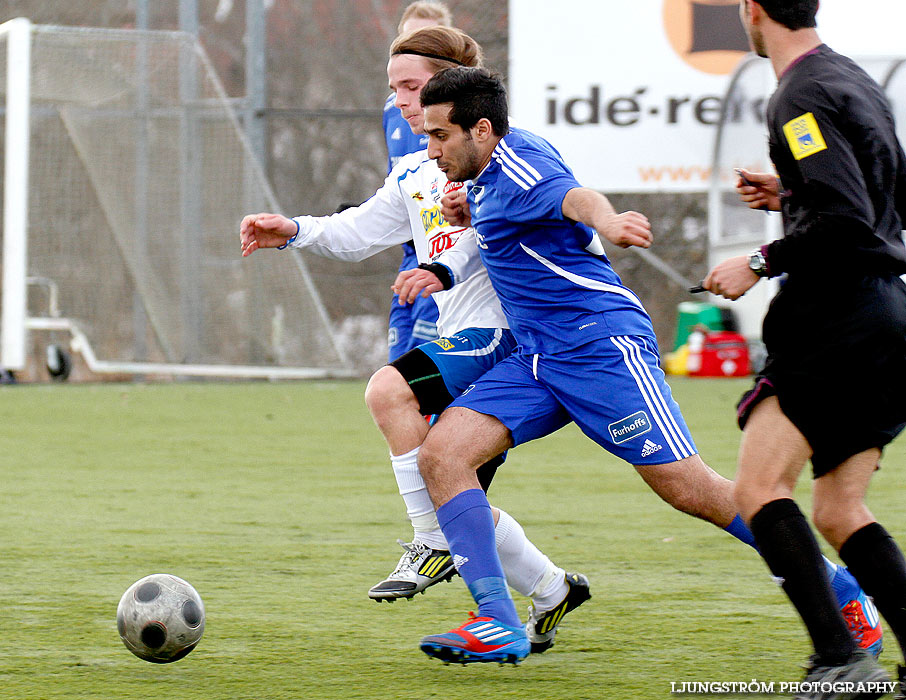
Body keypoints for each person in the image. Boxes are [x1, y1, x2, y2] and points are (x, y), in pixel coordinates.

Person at [393, 64, 884, 667]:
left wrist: (610, 221)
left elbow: (575, 199)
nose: (430, 145)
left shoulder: (523, 167)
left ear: (482, 129)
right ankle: (497, 621)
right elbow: (520, 224)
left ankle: (842, 591)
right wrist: (476, 218)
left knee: (691, 490)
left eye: (440, 135)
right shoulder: (488, 175)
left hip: (601, 348)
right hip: (539, 358)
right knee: (442, 456)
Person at [240, 26, 590, 654]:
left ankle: (432, 541)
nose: (400, 100)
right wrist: (293, 229)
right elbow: (358, 231)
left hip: (505, 336)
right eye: (392, 87)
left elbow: (503, 233)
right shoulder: (414, 171)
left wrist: (445, 264)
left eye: (411, 86)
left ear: (448, 88)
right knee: (457, 491)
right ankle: (552, 587)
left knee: (388, 393)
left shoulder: (494, 158)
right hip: (463, 331)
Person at [701, 0, 906, 695]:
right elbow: (881, 203)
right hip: (888, 313)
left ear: (752, 9)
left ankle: (841, 659)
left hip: (836, 314)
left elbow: (849, 220)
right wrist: (792, 195)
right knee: (839, 509)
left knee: (759, 490)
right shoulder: (854, 79)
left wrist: (760, 260)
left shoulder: (799, 95)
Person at [382, 2, 453, 362]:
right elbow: (401, 179)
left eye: (423, 41)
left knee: (424, 367)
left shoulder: (463, 113)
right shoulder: (393, 109)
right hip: (411, 252)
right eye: (406, 38)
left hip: (445, 251)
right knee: (398, 362)